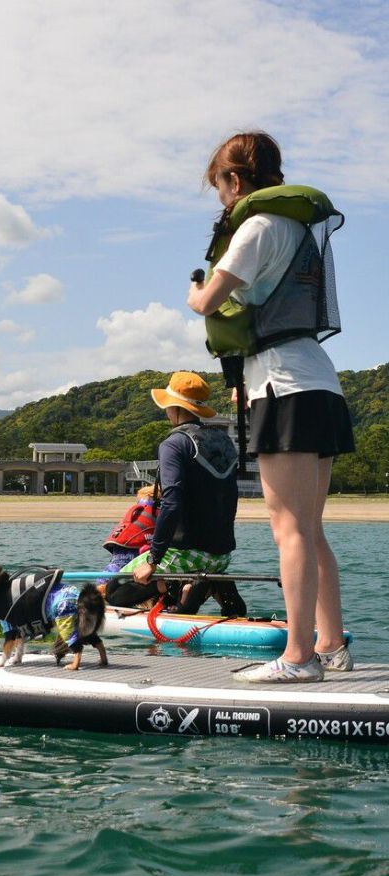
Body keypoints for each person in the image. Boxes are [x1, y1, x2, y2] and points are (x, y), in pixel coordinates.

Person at [187, 131, 354, 682]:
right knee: (310, 527)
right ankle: (330, 644)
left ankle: (298, 657)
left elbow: (209, 300)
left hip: (285, 386)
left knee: (290, 528)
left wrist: (194, 294)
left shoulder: (257, 226)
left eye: (219, 186)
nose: (221, 198)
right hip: (317, 382)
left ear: (235, 180)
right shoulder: (298, 230)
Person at [106, 372, 238, 610]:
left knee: (115, 590)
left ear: (175, 407)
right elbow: (231, 497)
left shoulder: (174, 444)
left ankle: (182, 584)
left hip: (186, 555)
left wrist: (153, 560)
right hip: (223, 556)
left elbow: (172, 503)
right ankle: (204, 584)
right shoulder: (224, 442)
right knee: (180, 577)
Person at [101, 484, 159, 579]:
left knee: (110, 575)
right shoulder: (157, 511)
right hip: (135, 552)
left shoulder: (136, 511)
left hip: (118, 549)